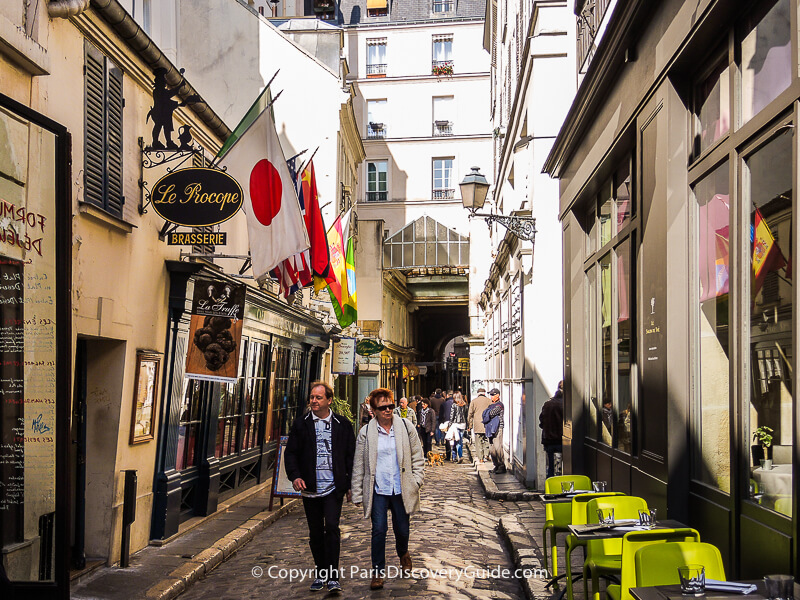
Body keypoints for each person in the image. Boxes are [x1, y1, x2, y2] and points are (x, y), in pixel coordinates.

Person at [284, 381, 356, 594]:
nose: (313, 401)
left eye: (318, 398)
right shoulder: (301, 424)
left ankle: (333, 577)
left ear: (329, 400)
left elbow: (351, 456)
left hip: (334, 487)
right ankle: (321, 572)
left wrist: (351, 484)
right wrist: (295, 477)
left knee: (332, 528)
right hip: (310, 487)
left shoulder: (343, 424)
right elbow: (291, 453)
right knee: (315, 533)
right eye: (312, 397)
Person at [351, 388, 425, 590]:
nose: (388, 410)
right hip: (378, 488)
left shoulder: (405, 426)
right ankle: (377, 572)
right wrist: (357, 492)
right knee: (379, 530)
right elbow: (359, 465)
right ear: (373, 410)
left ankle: (403, 552)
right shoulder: (366, 432)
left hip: (401, 488)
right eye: (383, 407)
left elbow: (417, 456)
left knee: (402, 529)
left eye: (390, 406)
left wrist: (416, 480)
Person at [539, 381, 564, 479]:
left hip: (548, 440)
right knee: (563, 468)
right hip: (562, 440)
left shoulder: (548, 404)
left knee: (550, 467)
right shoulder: (566, 405)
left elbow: (542, 421)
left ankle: (550, 487)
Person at [483, 388, 506, 474]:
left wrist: (487, 413)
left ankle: (501, 465)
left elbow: (490, 413)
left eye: (493, 395)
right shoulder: (491, 405)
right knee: (492, 448)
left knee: (498, 447)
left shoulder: (499, 405)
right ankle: (496, 464)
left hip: (497, 428)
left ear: (498, 395)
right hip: (490, 428)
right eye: (491, 395)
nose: (491, 397)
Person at [467, 387, 492, 463]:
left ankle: (480, 458)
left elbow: (470, 414)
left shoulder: (474, 401)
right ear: (484, 393)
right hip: (487, 424)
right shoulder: (489, 401)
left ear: (478, 394)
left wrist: (470, 426)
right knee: (487, 440)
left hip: (477, 424)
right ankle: (486, 454)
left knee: (478, 442)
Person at [448, 392, 468, 463]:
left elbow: (452, 415)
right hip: (463, 424)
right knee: (460, 441)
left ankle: (457, 456)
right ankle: (458, 456)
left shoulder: (454, 405)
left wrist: (450, 424)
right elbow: (466, 416)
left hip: (456, 424)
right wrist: (467, 425)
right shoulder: (465, 405)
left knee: (455, 440)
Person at [439, 392, 454, 460]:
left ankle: (448, 455)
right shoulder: (456, 403)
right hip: (455, 422)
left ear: (447, 396)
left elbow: (441, 415)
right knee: (456, 439)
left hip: (446, 422)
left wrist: (441, 423)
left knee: (447, 439)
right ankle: (454, 456)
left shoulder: (444, 404)